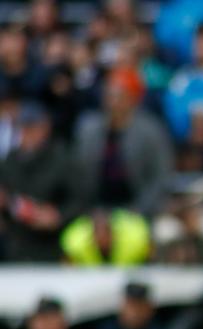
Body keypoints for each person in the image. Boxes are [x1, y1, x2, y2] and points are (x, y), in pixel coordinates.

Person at [74, 70, 174, 219]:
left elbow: (161, 176)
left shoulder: (151, 130)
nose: (113, 102)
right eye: (109, 95)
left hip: (139, 209)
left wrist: (140, 209)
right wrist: (89, 209)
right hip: (96, 211)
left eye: (120, 96)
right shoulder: (88, 129)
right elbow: (78, 173)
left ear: (134, 99)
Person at [0, 102, 76, 262]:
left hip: (54, 244)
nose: (27, 134)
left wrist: (58, 216)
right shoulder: (10, 161)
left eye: (33, 128)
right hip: (17, 245)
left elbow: (80, 199)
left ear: (45, 128)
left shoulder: (62, 159)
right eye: (23, 128)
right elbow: (9, 199)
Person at [60, 208, 151, 266]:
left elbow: (149, 255)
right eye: (98, 236)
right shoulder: (75, 244)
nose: (102, 240)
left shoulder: (136, 239)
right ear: (92, 237)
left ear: (114, 234)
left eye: (106, 235)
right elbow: (67, 264)